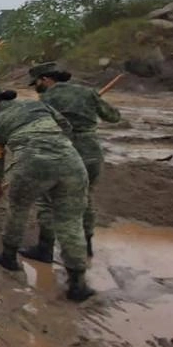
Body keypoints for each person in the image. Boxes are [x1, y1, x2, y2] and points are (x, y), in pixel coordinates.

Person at [0, 85, 95, 302]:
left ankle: (9, 256)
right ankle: (77, 282)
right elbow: (66, 127)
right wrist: (57, 147)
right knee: (71, 221)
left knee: (18, 209)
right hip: (71, 163)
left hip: (32, 164)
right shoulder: (38, 104)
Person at [22, 62, 121, 261]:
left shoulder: (46, 99)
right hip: (91, 154)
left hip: (61, 154)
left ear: (46, 79)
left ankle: (45, 249)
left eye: (37, 83)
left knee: (48, 201)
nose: (36, 87)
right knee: (85, 198)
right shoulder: (87, 92)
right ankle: (86, 246)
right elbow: (114, 117)